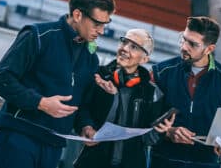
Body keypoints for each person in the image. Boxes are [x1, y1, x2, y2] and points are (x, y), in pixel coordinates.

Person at [0, 0, 116, 168]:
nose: (102, 31)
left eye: (105, 24)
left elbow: (82, 104)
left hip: (54, 146)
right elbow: (1, 79)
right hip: (20, 137)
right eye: (97, 24)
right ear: (78, 14)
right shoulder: (39, 36)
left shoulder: (91, 59)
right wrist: (40, 103)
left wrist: (85, 126)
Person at [74, 29, 174, 168]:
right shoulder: (99, 76)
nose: (125, 49)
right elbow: (82, 108)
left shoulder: (152, 93)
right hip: (92, 162)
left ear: (144, 59)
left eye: (134, 47)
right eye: (124, 42)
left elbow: (148, 140)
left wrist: (159, 131)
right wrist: (86, 126)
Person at [150, 16, 221, 168]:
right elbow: (145, 119)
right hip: (164, 161)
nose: (184, 47)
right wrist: (168, 132)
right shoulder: (161, 73)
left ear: (209, 49)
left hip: (205, 164)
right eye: (184, 39)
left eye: (193, 44)